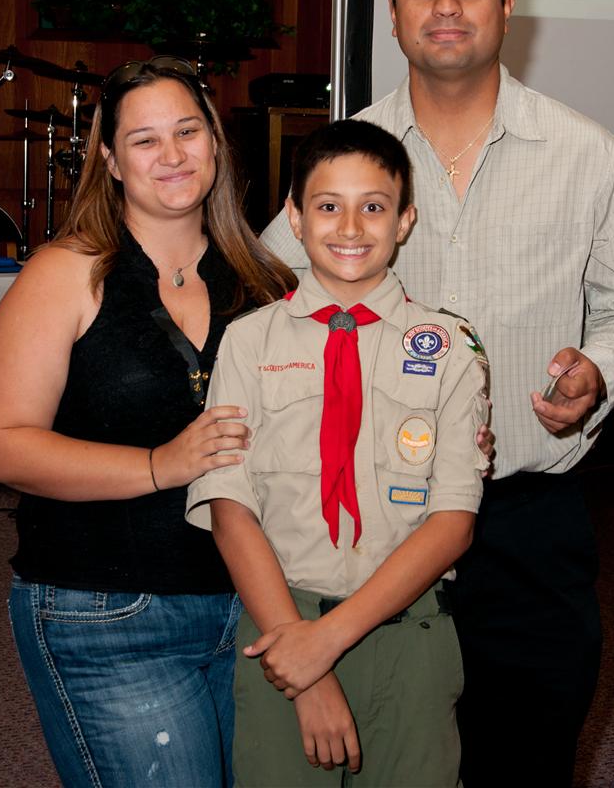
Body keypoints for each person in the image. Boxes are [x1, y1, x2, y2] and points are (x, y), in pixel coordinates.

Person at [261, 0, 614, 787]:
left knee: (526, 756)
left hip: (528, 525)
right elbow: (267, 304)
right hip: (372, 528)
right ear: (392, 10)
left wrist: (599, 368)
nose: (446, 7)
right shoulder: (342, 163)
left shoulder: (585, 153)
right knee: (382, 761)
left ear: (507, 4)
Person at [0, 57, 296, 788]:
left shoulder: (266, 282)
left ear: (215, 142)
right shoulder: (65, 274)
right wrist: (160, 465)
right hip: (107, 613)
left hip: (255, 605)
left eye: (188, 131)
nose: (172, 154)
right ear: (112, 161)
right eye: (145, 140)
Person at [187, 118, 491, 787]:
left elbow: (452, 522)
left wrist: (326, 642)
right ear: (295, 218)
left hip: (409, 635)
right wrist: (305, 661)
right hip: (280, 628)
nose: (350, 227)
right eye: (328, 206)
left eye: (374, 207)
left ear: (405, 220)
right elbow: (230, 508)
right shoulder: (248, 343)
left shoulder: (450, 348)